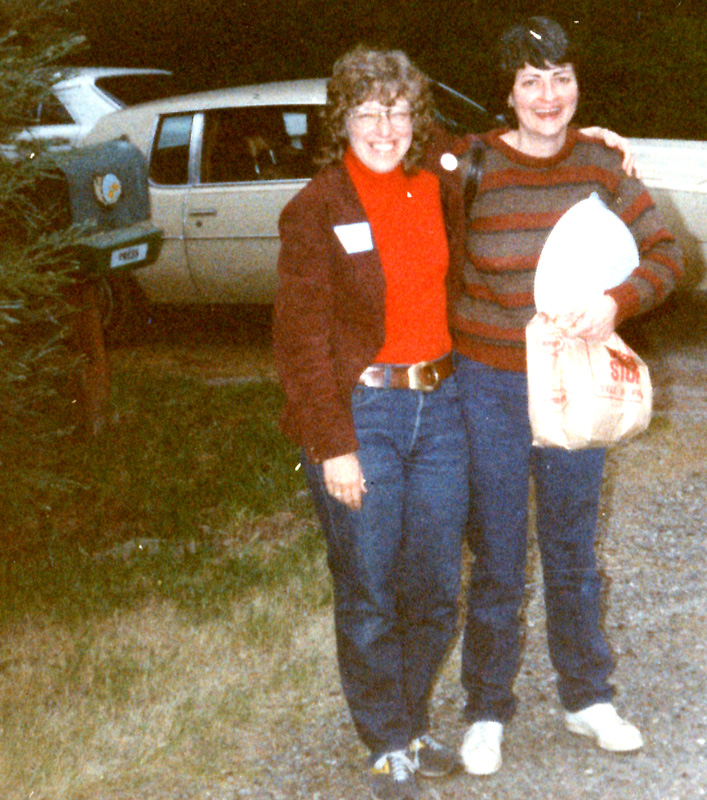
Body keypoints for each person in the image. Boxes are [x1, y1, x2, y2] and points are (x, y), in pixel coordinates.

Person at [449, 17, 685, 776]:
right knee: (498, 556)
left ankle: (588, 698)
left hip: (576, 377)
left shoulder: (602, 164)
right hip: (488, 382)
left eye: (561, 77)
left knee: (573, 548)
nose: (547, 96)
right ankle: (486, 710)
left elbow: (666, 255)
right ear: (507, 91)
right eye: (530, 79)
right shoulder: (470, 164)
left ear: (578, 84)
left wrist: (618, 304)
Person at [273, 46, 468, 800]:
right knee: (369, 585)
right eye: (367, 109)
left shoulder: (435, 182)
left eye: (398, 109)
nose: (384, 126)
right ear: (341, 118)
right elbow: (301, 342)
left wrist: (600, 139)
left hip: (441, 408)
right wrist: (334, 447)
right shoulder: (315, 208)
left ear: (415, 116)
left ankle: (412, 722)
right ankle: (387, 739)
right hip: (365, 413)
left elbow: (510, 146)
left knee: (436, 586)